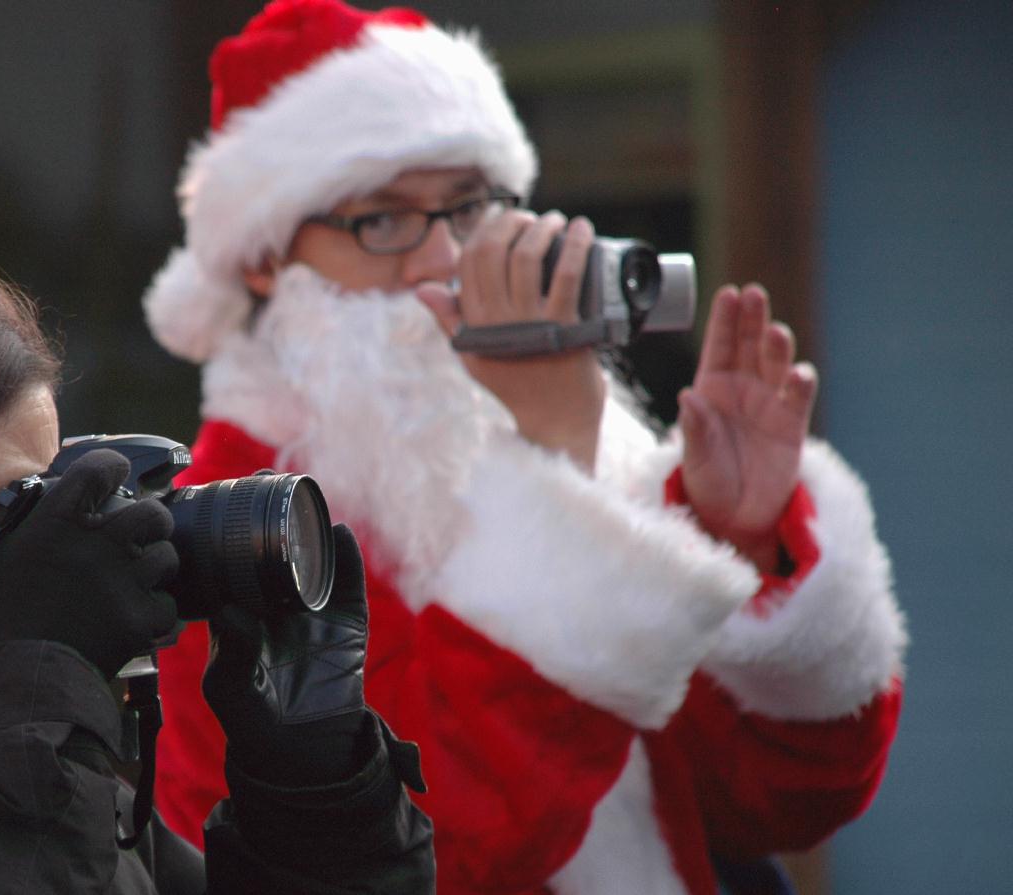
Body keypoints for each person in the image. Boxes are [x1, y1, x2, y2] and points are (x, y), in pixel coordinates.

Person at [140, 2, 907, 894]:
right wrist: (553, 473)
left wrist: (739, 537)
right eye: (383, 220)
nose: (441, 260)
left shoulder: (561, 438)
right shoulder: (220, 534)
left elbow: (775, 803)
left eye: (467, 208)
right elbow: (431, 856)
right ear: (266, 255)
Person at [0, 245, 434, 894]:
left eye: (57, 489)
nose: (60, 539)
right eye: (16, 500)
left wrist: (310, 787)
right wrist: (34, 683)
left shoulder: (32, 762)